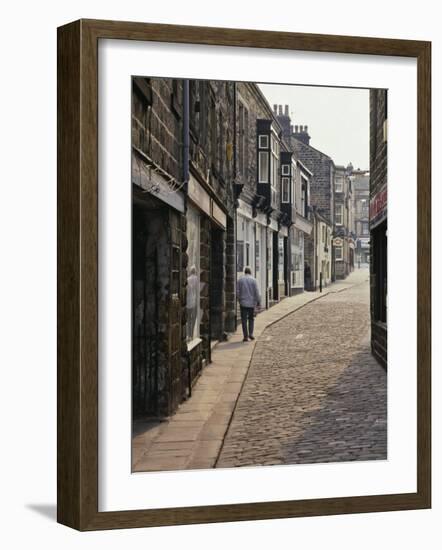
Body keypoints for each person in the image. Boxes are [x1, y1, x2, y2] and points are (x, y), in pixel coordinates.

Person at [237, 266, 261, 342]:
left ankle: (245, 336)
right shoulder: (254, 280)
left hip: (243, 303)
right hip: (251, 303)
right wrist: (258, 301)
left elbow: (237, 291)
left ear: (245, 272)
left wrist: (239, 299)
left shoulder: (240, 280)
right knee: (251, 319)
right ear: (250, 272)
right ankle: (251, 334)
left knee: (244, 320)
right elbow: (256, 292)